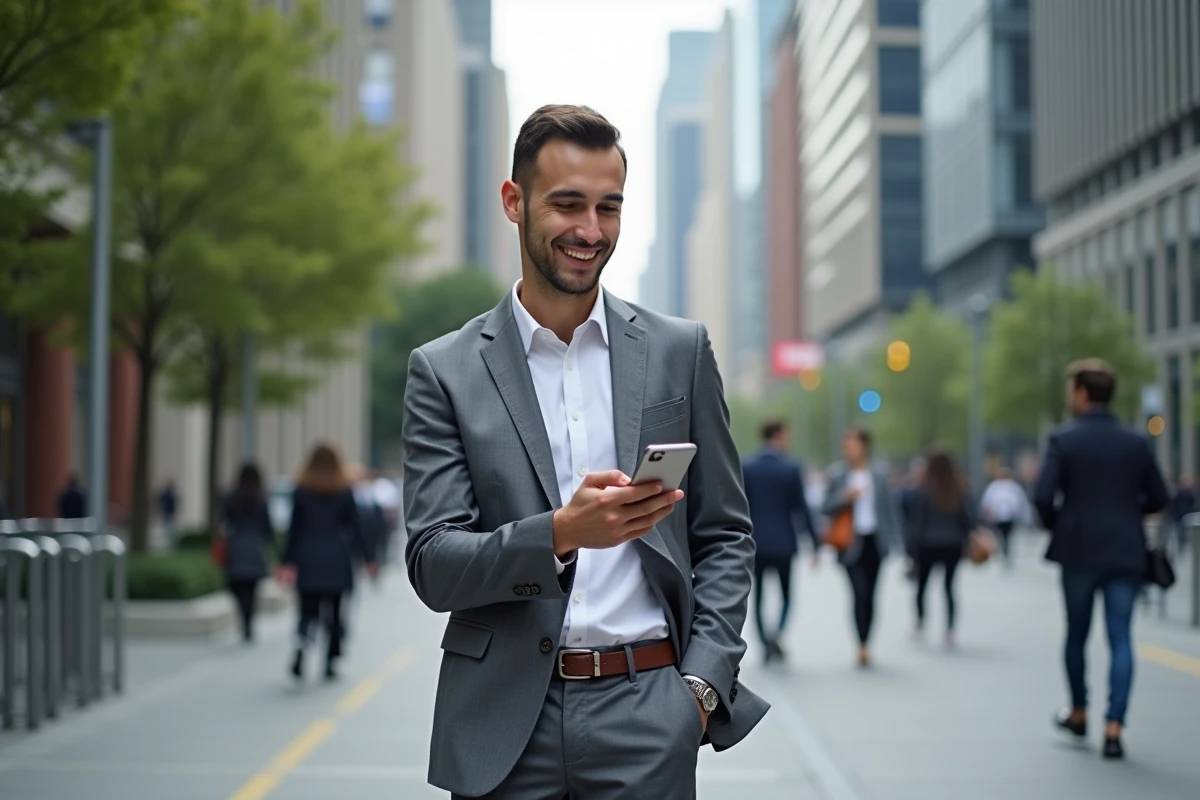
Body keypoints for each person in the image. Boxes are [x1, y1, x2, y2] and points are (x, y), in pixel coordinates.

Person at [402, 104, 767, 799]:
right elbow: (433, 565)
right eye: (567, 204)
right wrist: (561, 535)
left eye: (609, 207)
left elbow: (725, 534)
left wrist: (699, 687)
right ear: (514, 202)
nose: (590, 231)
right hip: (503, 722)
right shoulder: (444, 370)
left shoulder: (677, 352)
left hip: (649, 711)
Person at [1033, 359, 1169, 760]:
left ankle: (1079, 711)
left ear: (1081, 393)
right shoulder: (1135, 442)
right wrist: (1128, 513)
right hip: (1125, 549)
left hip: (1078, 550)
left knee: (1076, 634)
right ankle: (1114, 725)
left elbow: (1042, 496)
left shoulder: (1064, 439)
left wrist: (1061, 523)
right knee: (1121, 637)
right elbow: (1159, 497)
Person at [278, 442, 377, 682]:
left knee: (306, 611)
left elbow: (294, 530)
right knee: (334, 613)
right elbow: (356, 528)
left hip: (308, 557)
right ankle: (331, 661)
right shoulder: (343, 490)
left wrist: (285, 561)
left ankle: (303, 643)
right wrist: (369, 559)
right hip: (337, 559)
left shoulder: (301, 490)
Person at [741, 419, 818, 664]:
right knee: (787, 594)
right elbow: (802, 509)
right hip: (785, 542)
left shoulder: (747, 467)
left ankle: (765, 641)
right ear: (779, 435)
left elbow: (739, 506)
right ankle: (778, 633)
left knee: (760, 595)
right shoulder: (791, 468)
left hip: (757, 543)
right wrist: (815, 543)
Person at [822, 427, 900, 667]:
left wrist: (896, 543)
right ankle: (860, 643)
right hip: (849, 544)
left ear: (865, 446)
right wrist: (846, 497)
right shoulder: (837, 475)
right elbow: (825, 506)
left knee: (872, 595)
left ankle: (866, 642)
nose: (848, 449)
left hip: (874, 541)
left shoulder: (879, 475)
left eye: (853, 443)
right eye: (846, 444)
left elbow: (890, 511)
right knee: (859, 592)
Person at [905, 449, 973, 646]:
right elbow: (967, 521)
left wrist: (911, 550)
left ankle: (920, 622)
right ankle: (950, 630)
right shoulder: (958, 490)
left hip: (928, 545)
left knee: (922, 587)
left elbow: (916, 523)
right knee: (949, 588)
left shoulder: (923, 490)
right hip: (953, 545)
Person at [219, 463, 275, 643]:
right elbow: (268, 527)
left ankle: (245, 622)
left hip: (237, 546)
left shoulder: (231, 497)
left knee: (237, 587)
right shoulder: (262, 498)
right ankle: (249, 623)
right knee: (252, 589)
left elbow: (224, 522)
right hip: (255, 547)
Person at [979, 466, 1030, 567]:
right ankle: (1003, 551)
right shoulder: (995, 487)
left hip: (1009, 516)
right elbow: (988, 502)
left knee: (1007, 536)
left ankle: (1006, 552)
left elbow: (1020, 503)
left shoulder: (1013, 487)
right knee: (1001, 535)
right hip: (998, 516)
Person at [1168, 474, 1195, 551]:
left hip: (1185, 515)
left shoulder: (1190, 493)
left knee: (1183, 533)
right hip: (1178, 516)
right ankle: (1181, 546)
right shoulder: (1178, 493)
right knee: (1179, 533)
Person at [157, 479, 179, 546]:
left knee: (169, 524)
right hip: (167, 511)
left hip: (169, 512)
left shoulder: (170, 495)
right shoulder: (167, 495)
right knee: (167, 524)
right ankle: (167, 536)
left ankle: (169, 535)